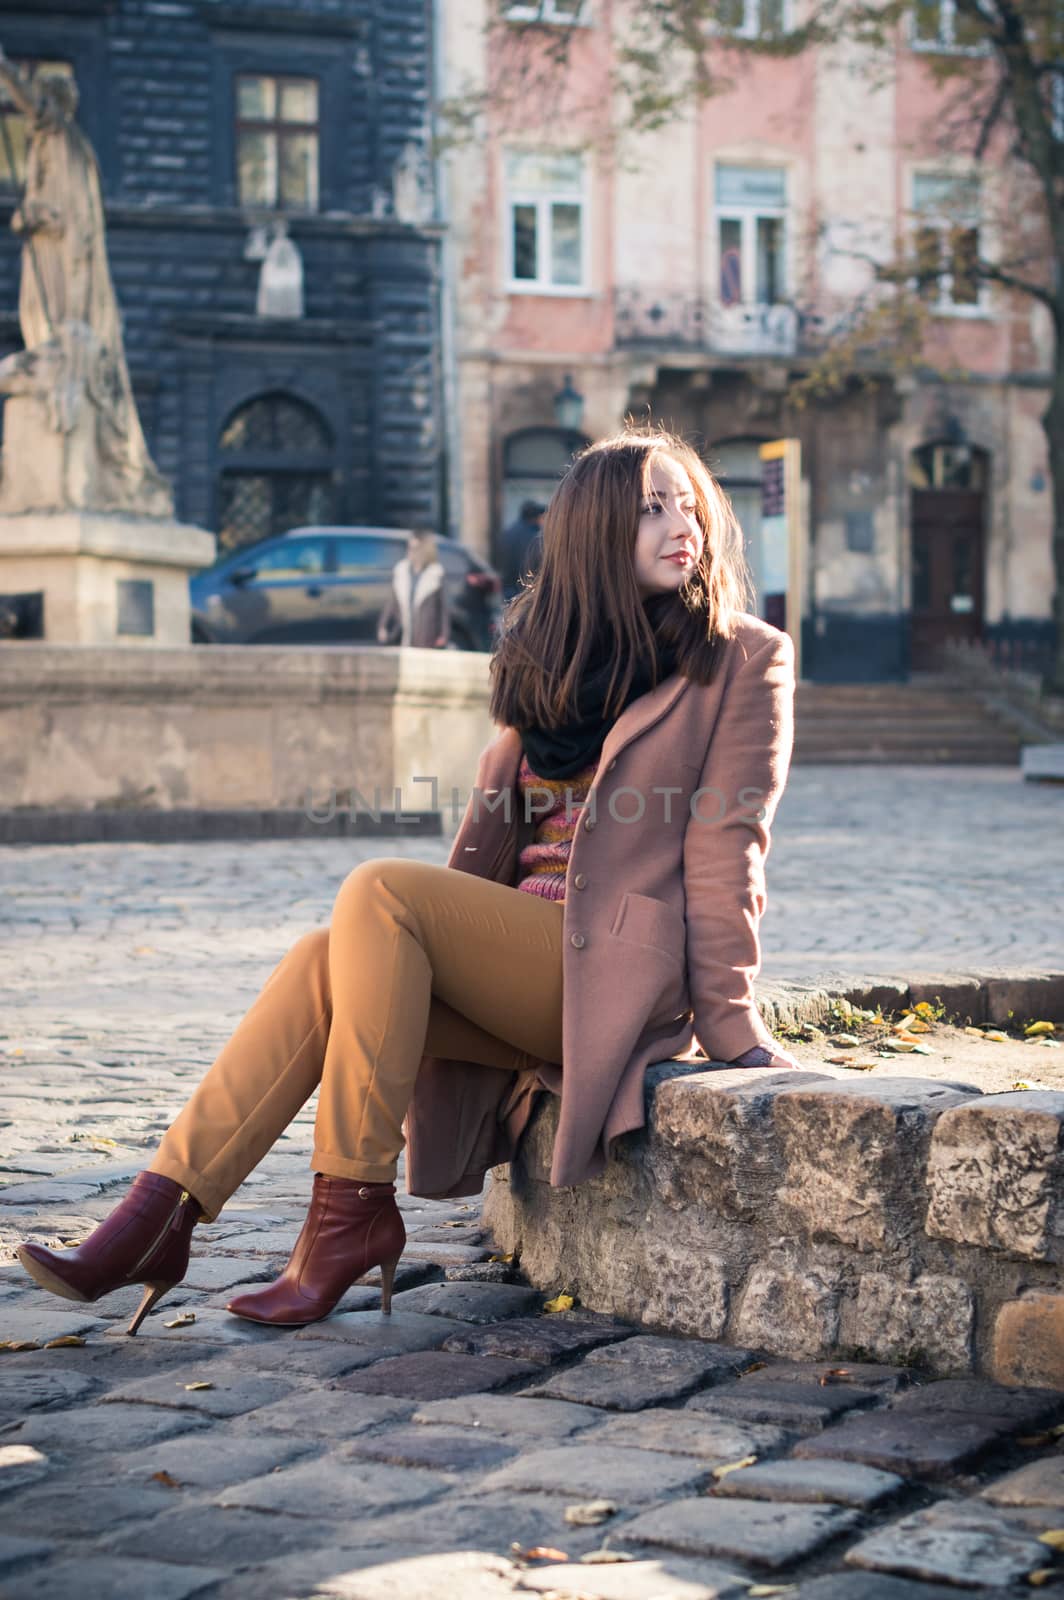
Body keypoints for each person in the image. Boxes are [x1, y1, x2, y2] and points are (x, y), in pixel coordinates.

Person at [16, 426, 799, 1335]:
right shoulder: (547, 659)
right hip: (521, 955)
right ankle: (159, 1217)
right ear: (593, 534)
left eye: (690, 503)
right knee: (324, 959)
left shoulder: (740, 657)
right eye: (652, 507)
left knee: (380, 891)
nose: (684, 524)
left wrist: (733, 1027)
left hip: (619, 971)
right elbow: (497, 839)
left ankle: (347, 1218)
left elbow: (729, 847)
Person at [376, 529, 450, 649]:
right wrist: (382, 625)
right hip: (405, 631)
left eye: (415, 548)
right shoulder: (402, 571)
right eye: (409, 548)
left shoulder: (435, 573)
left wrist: (444, 634)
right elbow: (392, 602)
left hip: (427, 633)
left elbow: (443, 608)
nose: (410, 552)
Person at [498, 500, 546, 603]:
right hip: (524, 589)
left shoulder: (508, 532)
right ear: (536, 517)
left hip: (507, 587)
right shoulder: (534, 536)